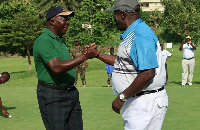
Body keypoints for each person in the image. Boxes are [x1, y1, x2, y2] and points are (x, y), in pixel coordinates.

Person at [95, 0, 168, 129]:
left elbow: (147, 73)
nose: (114, 19)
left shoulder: (139, 35)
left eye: (115, 15)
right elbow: (125, 63)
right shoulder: (134, 32)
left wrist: (122, 97)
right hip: (142, 100)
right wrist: (97, 54)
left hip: (143, 103)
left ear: (123, 14)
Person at [33, 6, 97, 130]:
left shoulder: (60, 40)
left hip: (70, 93)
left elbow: (65, 62)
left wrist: (83, 54)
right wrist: (84, 57)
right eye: (64, 18)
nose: (67, 22)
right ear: (52, 21)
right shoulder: (44, 40)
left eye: (68, 19)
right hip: (53, 96)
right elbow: (56, 67)